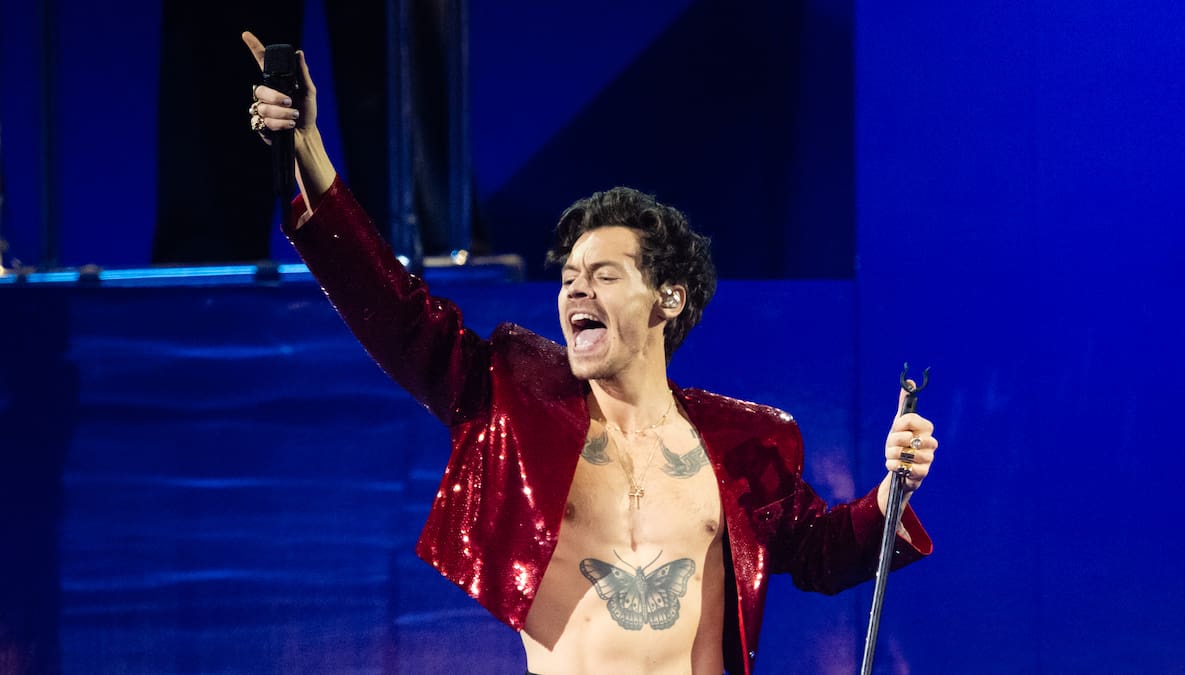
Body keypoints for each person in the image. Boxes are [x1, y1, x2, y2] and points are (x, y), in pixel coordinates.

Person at [242, 32, 937, 675]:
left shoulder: (747, 443)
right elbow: (396, 314)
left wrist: (892, 489)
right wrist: (311, 153)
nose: (577, 289)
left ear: (667, 298)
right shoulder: (511, 403)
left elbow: (818, 552)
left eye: (603, 275)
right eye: (570, 277)